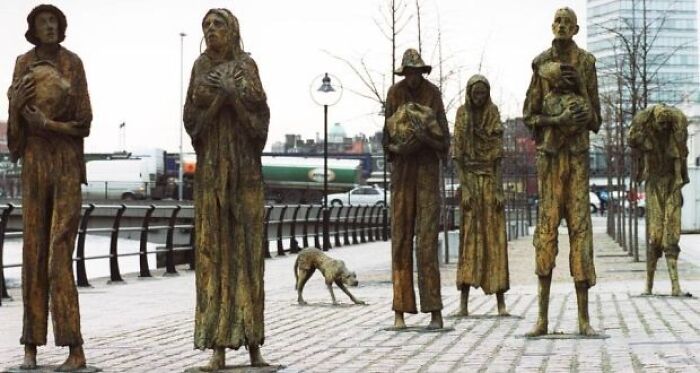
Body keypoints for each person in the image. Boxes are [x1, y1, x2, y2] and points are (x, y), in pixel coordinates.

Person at [184, 8, 270, 370]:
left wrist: (234, 95)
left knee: (248, 254)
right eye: (207, 25)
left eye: (219, 24)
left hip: (245, 171)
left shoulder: (246, 66)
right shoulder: (200, 68)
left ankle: (253, 343)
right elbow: (192, 122)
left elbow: (260, 121)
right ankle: (217, 345)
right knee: (213, 254)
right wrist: (221, 99)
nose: (211, 29)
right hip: (212, 174)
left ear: (233, 29)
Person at [7, 5, 91, 371]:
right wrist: (14, 104)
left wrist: (48, 124)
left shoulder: (73, 63)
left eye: (55, 22)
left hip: (66, 164)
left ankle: (74, 347)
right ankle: (31, 345)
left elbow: (84, 123)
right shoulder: (22, 63)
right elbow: (17, 131)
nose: (50, 27)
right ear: (33, 29)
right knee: (33, 251)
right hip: (35, 163)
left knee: (58, 252)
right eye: (43, 23)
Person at [523, 7, 601, 336]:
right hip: (550, 158)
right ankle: (541, 318)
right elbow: (529, 116)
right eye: (557, 21)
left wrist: (581, 92)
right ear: (551, 25)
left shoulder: (587, 63)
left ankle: (584, 320)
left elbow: (596, 120)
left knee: (581, 232)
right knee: (547, 231)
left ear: (577, 28)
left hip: (579, 159)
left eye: (568, 22)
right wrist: (556, 121)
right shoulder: (541, 64)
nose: (562, 26)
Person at [383, 48, 450, 330]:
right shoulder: (394, 93)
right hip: (402, 176)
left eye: (416, 72)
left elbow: (445, 140)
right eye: (408, 72)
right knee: (400, 241)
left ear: (422, 72)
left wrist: (424, 139)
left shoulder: (433, 94)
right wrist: (400, 148)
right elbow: (386, 139)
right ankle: (400, 309)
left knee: (426, 243)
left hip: (426, 174)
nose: (412, 77)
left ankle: (434, 310)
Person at [453, 75, 509, 316]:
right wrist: (464, 188)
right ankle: (463, 302)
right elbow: (458, 157)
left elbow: (497, 157)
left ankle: (500, 303)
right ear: (469, 93)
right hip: (471, 185)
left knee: (495, 240)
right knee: (469, 241)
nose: (479, 97)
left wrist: (498, 189)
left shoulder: (493, 112)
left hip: (489, 183)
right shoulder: (462, 114)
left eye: (483, 93)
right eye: (475, 93)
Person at [629, 104, 689, 296]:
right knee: (655, 236)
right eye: (660, 123)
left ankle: (675, 286)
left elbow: (680, 155)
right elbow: (632, 140)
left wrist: (678, 181)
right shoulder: (644, 130)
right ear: (653, 122)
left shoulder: (676, 131)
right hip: (654, 184)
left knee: (671, 232)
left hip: (672, 185)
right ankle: (649, 284)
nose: (663, 127)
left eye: (666, 124)